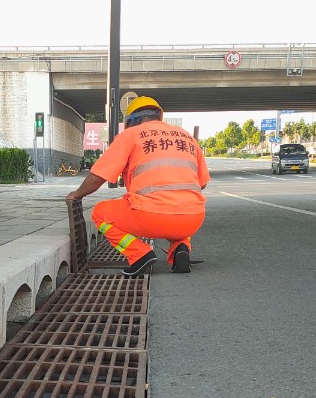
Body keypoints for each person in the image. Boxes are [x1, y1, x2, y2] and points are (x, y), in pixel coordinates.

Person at [65, 96, 209, 276]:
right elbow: (202, 183)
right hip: (193, 219)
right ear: (159, 116)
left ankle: (140, 254)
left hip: (150, 216)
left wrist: (77, 194)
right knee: (182, 206)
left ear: (130, 120)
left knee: (100, 213)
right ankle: (181, 248)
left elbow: (98, 176)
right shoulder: (186, 137)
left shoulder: (130, 135)